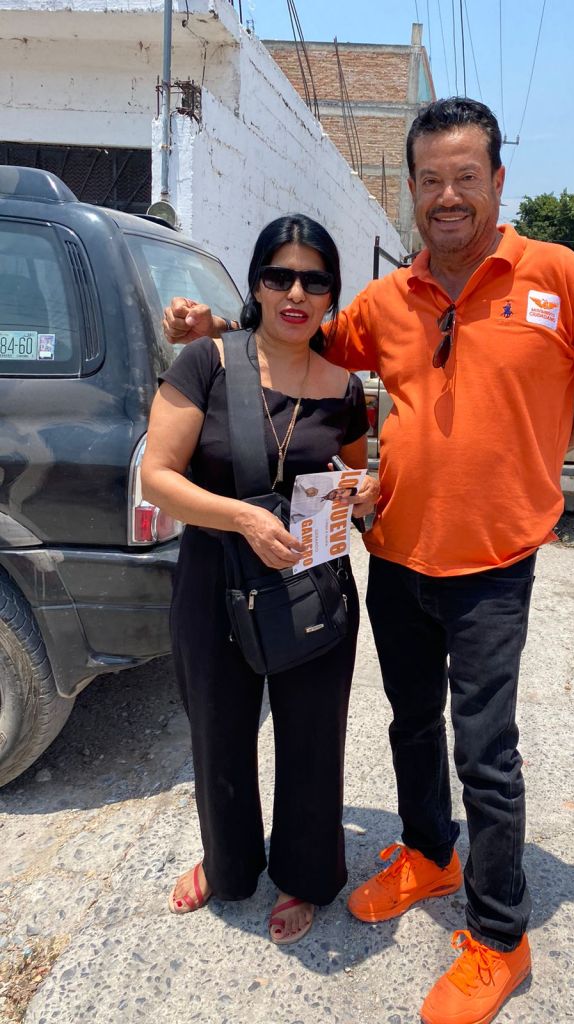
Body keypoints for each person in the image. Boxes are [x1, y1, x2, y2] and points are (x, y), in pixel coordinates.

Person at [162, 99, 574, 1024]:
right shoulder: (389, 302)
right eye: (431, 180)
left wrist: (549, 446)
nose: (448, 196)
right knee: (411, 724)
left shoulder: (559, 275)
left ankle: (499, 937)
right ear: (412, 190)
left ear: (498, 180)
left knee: (486, 752)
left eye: (466, 177)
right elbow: (295, 337)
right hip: (397, 555)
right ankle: (430, 853)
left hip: (493, 563)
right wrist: (211, 329)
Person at [141, 214, 378, 946]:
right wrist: (243, 519)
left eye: (314, 280)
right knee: (219, 731)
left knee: (312, 738)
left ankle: (306, 873)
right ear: (256, 284)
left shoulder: (344, 388)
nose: (295, 293)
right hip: (215, 579)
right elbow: (157, 478)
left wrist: (364, 491)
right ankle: (228, 862)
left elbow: (351, 471)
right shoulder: (207, 362)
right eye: (280, 276)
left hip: (314, 582)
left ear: (333, 294)